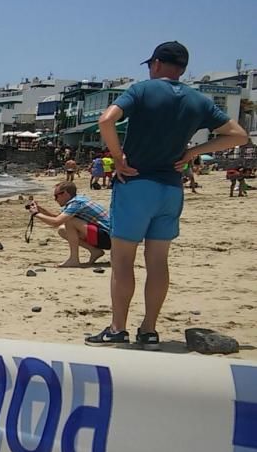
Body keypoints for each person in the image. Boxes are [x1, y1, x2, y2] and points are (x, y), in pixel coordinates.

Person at [89, 41, 249, 350]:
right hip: (171, 189)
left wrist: (118, 158)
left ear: (158, 64)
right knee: (158, 262)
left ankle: (117, 328)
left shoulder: (142, 90)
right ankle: (149, 330)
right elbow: (239, 135)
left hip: (137, 185)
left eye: (151, 64)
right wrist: (194, 152)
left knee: (122, 260)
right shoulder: (198, 100)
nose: (150, 69)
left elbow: (106, 120)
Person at [25, 182, 111, 267]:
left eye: (56, 196)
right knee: (62, 230)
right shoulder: (78, 200)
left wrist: (36, 214)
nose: (55, 199)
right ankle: (94, 251)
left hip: (108, 237)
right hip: (107, 237)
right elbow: (58, 217)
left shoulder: (76, 203)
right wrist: (40, 210)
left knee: (70, 221)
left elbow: (56, 222)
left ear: (65, 193)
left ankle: (74, 259)